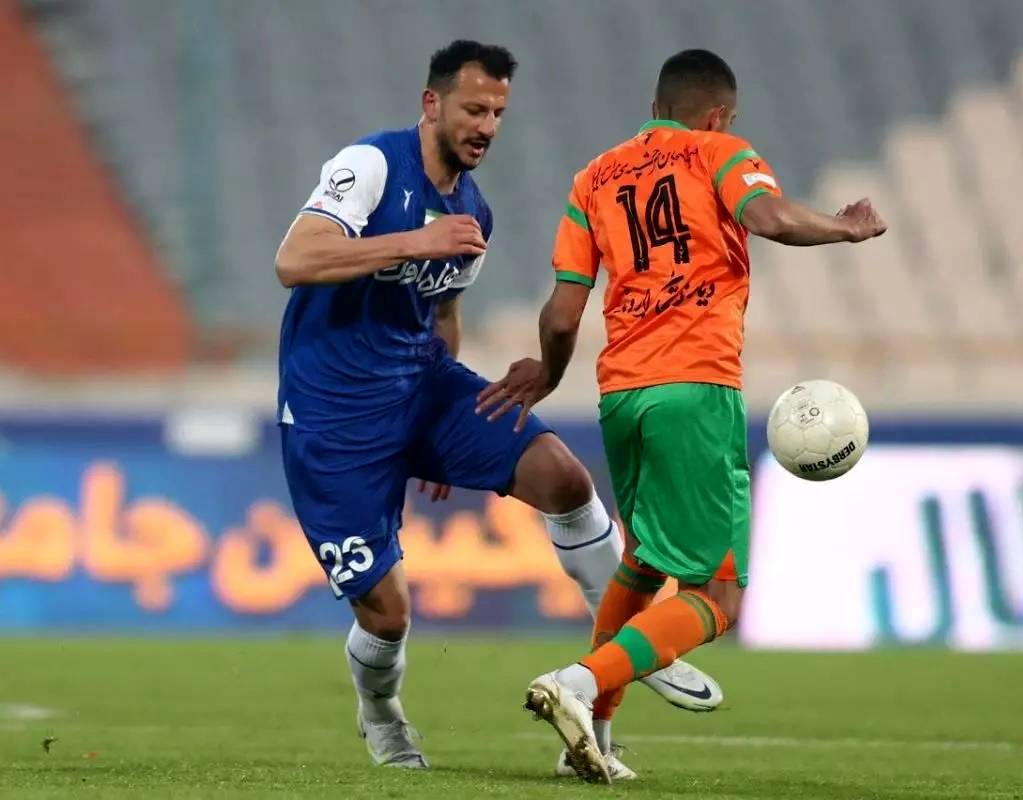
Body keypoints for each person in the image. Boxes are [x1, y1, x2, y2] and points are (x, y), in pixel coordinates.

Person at [273, 40, 722, 772]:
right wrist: (414, 241)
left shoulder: (472, 211)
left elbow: (441, 311)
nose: (486, 126)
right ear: (432, 104)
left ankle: (624, 646)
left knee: (565, 478)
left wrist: (436, 436)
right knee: (387, 616)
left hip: (422, 388)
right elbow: (293, 260)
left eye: (498, 113)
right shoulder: (372, 165)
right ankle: (381, 715)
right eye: (474, 109)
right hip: (334, 417)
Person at [476, 48, 887, 782]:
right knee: (719, 597)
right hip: (695, 386)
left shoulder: (593, 178)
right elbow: (769, 216)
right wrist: (844, 228)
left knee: (643, 561)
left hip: (621, 396)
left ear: (656, 106)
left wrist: (549, 373)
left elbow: (563, 313)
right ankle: (578, 682)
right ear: (718, 115)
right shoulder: (718, 152)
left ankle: (592, 740)